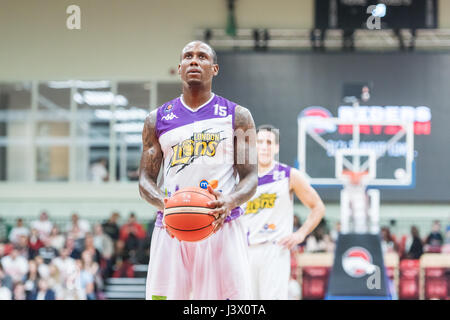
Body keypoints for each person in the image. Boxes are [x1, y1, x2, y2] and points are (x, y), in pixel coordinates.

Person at [139, 41, 258, 300]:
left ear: (214, 69)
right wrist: (166, 204)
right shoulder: (156, 119)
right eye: (188, 57)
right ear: (180, 68)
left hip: (222, 224)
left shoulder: (237, 116)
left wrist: (231, 200)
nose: (194, 61)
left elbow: (250, 177)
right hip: (172, 227)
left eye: (202, 57)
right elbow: (145, 180)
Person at [240, 125, 325, 299]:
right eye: (260, 142)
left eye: (269, 142)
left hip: (274, 249)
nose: (264, 146)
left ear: (276, 147)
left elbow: (318, 207)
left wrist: (300, 234)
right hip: (245, 250)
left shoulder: (289, 175)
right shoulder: (241, 177)